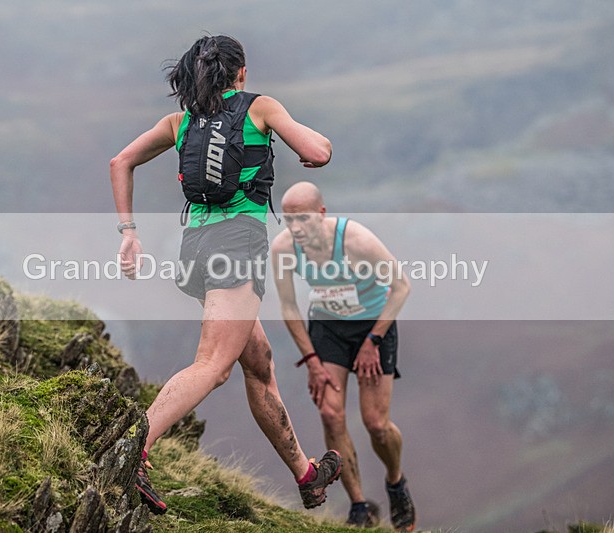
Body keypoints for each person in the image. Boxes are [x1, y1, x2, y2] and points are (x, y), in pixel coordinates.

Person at [109, 35, 342, 515]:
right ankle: (131, 449)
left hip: (195, 248)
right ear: (241, 72)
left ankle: (306, 474)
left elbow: (121, 161)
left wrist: (129, 233)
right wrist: (307, 139)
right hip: (237, 246)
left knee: (257, 360)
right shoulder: (261, 108)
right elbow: (317, 154)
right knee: (213, 366)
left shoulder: (180, 121)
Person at [271, 182, 416, 531]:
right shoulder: (284, 248)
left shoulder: (356, 240)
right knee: (331, 414)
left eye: (303, 219)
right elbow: (289, 306)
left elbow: (401, 287)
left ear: (322, 214)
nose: (297, 229)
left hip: (372, 325)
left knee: (376, 424)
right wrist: (312, 361)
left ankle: (396, 483)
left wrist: (373, 340)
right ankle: (359, 506)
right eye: (289, 221)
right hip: (328, 328)